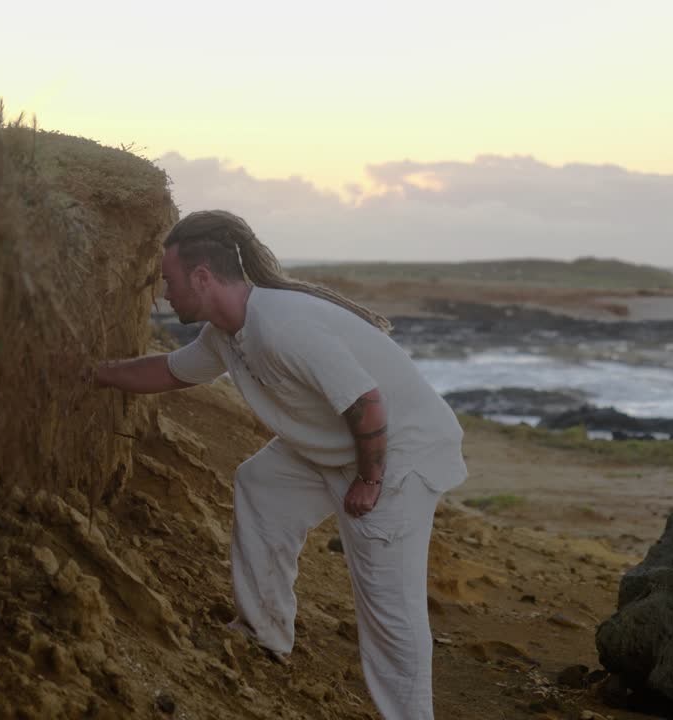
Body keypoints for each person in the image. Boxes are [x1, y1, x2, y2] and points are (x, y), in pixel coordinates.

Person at [95, 210, 467, 720]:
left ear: (203, 278)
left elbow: (367, 403)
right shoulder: (226, 332)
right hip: (336, 446)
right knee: (261, 482)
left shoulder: (281, 326)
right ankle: (263, 634)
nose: (164, 293)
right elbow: (169, 371)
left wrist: (369, 479)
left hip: (399, 453)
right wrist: (98, 373)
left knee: (388, 606)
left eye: (170, 281)